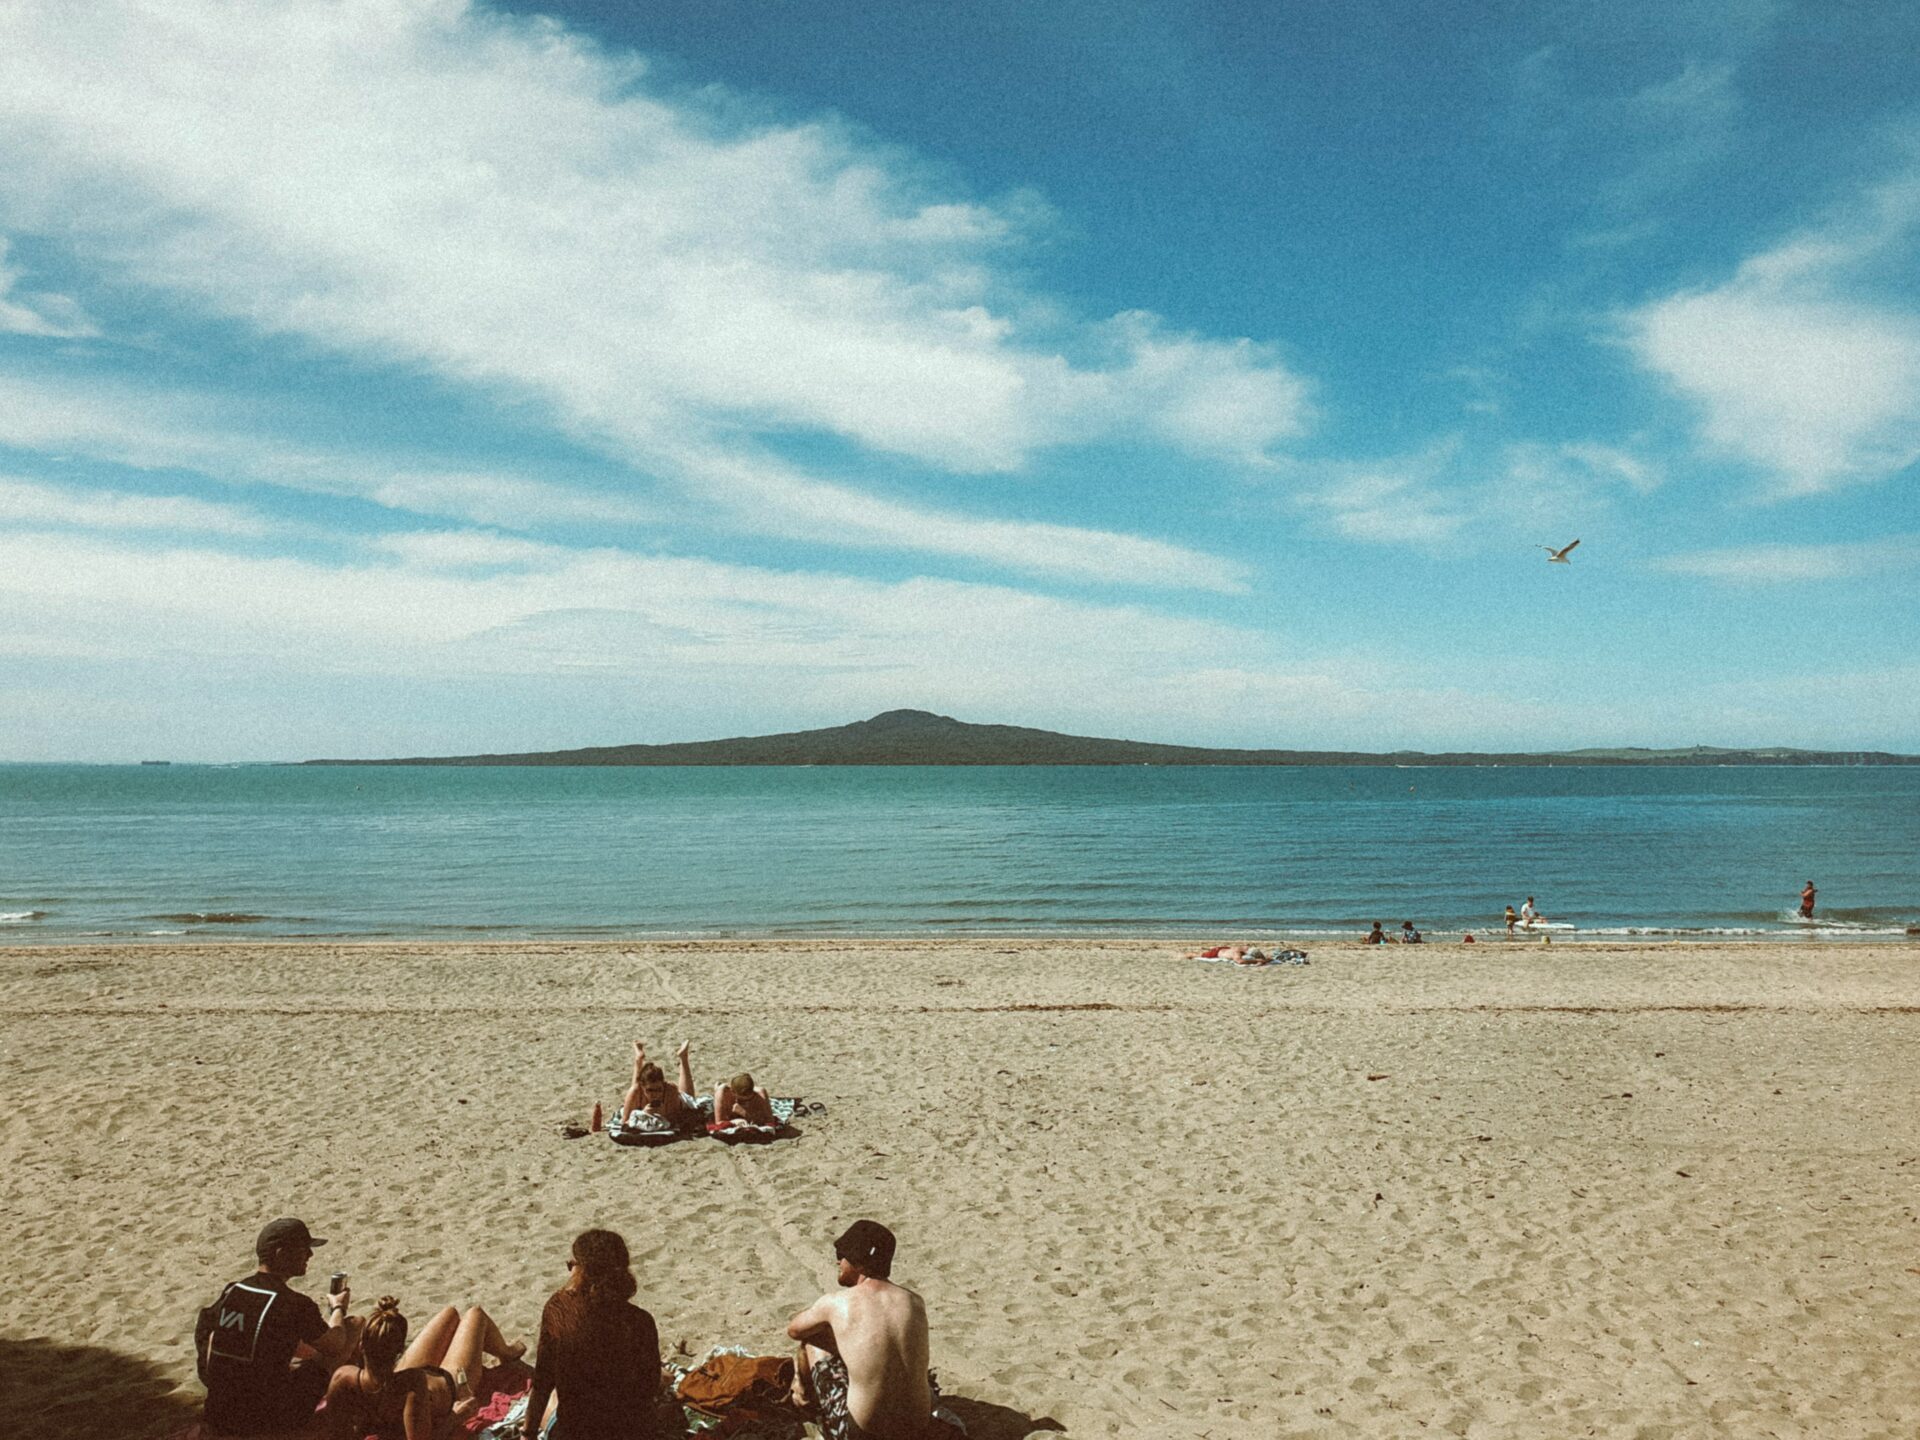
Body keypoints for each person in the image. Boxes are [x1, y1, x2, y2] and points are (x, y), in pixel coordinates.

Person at [787, 1221, 958, 1440]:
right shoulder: (914, 1301)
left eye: (842, 1254)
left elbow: (794, 1330)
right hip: (916, 1430)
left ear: (858, 1263)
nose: (838, 1260)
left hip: (863, 1434)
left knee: (812, 1340)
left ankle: (806, 1403)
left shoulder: (837, 1303)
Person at [197, 1217, 362, 1435]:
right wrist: (338, 1308)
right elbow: (335, 1345)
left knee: (297, 1354)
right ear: (281, 1254)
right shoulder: (293, 1304)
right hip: (270, 1420)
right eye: (304, 1249)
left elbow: (210, 1350)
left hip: (219, 1414)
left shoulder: (232, 1292)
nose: (310, 1256)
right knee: (354, 1325)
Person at [521, 1230, 662, 1440]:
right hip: (632, 1432)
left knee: (554, 1398)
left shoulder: (559, 1311)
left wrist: (528, 1433)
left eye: (572, 1264)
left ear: (582, 1272)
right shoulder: (641, 1322)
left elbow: (543, 1381)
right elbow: (648, 1389)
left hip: (576, 1434)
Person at [322, 1296, 523, 1440]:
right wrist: (457, 1416)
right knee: (475, 1315)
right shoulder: (411, 1385)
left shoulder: (343, 1377)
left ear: (361, 1346)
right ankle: (506, 1353)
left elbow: (336, 1432)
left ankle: (504, 1351)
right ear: (399, 1351)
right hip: (448, 1386)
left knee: (450, 1314)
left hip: (402, 1374)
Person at [620, 1041, 707, 1134]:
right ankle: (638, 1059)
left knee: (689, 1098)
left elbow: (676, 1119)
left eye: (658, 1090)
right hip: (639, 1091)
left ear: (663, 1085)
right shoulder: (635, 1092)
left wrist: (663, 1113)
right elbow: (625, 1123)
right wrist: (644, 1113)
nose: (655, 1094)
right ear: (643, 1088)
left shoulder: (670, 1091)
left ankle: (683, 1059)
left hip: (679, 1102)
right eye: (650, 1090)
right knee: (636, 1088)